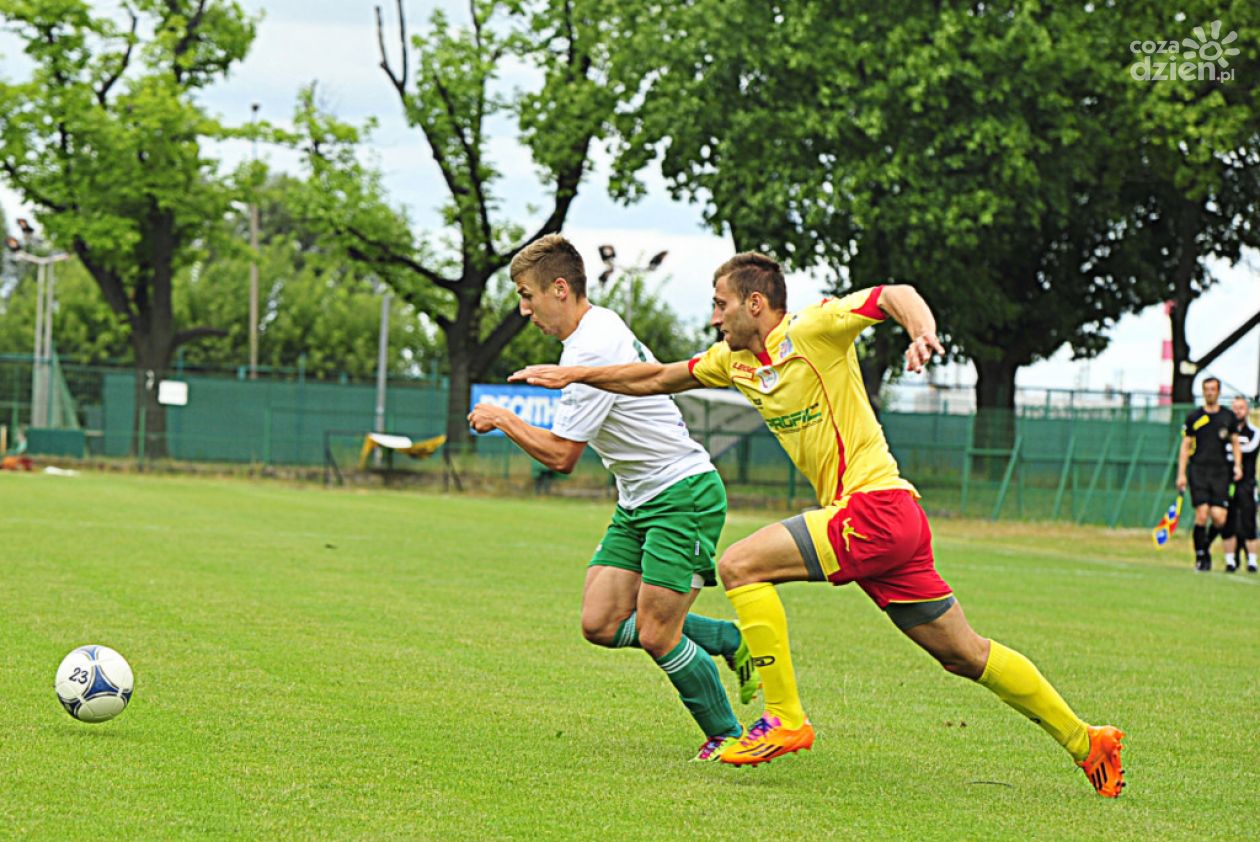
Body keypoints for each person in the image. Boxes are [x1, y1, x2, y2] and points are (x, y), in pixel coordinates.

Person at [512, 252, 1127, 797]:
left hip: (875, 507)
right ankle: (1087, 740)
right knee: (966, 655)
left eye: (721, 304)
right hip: (886, 523)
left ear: (757, 302)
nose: (715, 317)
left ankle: (783, 718)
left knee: (739, 564)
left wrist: (922, 329)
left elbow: (894, 295)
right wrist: (574, 374)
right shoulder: (734, 362)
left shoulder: (814, 328)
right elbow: (654, 377)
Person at [466, 234, 759, 762]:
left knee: (655, 633)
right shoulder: (593, 329)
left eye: (527, 294)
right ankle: (729, 640)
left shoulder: (590, 349)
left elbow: (561, 457)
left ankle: (728, 735)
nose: (524, 309)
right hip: (640, 501)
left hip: (682, 494)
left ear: (560, 288)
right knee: (601, 622)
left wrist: (504, 417)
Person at [1176, 377, 1242, 572]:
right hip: (1198, 470)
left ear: (1219, 392)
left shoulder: (1227, 417)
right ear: (1203, 392)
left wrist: (1237, 466)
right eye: (1206, 389)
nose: (1210, 393)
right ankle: (1201, 557)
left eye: (1213, 389)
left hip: (1221, 471)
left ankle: (1204, 547)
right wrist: (1181, 473)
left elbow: (1236, 443)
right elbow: (1185, 446)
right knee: (1202, 514)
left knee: (1219, 516)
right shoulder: (1194, 417)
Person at [1221, 395, 1258, 573]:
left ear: (1247, 410)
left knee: (1249, 521)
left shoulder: (1254, 433)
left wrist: (1234, 447)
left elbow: (1249, 449)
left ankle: (1252, 561)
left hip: (1246, 483)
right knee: (1227, 521)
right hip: (1227, 481)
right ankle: (1230, 561)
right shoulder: (1225, 431)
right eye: (1234, 408)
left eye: (1241, 408)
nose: (1237, 411)